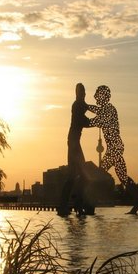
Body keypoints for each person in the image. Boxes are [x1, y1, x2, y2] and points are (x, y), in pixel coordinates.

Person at [87, 85, 138, 214]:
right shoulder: (107, 109)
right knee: (122, 176)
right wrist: (86, 106)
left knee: (99, 175)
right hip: (115, 147)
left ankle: (91, 205)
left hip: (114, 149)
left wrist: (83, 117)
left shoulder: (110, 110)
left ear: (104, 96)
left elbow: (96, 121)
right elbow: (97, 111)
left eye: (98, 95)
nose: (95, 97)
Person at [58, 83, 91, 216]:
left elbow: (90, 111)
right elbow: (83, 121)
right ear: (77, 93)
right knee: (81, 176)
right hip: (73, 142)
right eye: (81, 92)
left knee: (74, 176)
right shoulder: (77, 105)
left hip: (74, 141)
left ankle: (69, 205)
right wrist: (99, 121)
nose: (83, 94)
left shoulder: (80, 104)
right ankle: (74, 204)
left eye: (83, 91)